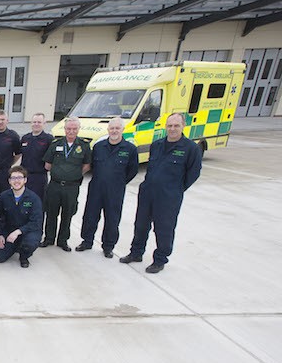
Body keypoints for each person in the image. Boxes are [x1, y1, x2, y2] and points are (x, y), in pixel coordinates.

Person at [120, 112, 202, 273]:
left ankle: (159, 259)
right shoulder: (157, 145)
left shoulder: (190, 148)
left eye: (176, 126)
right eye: (170, 125)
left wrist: (176, 189)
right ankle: (136, 253)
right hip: (148, 192)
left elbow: (194, 173)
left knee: (164, 228)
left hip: (169, 196)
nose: (172, 129)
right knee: (141, 225)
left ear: (183, 126)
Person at [76, 117, 139, 258]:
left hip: (115, 190)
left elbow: (132, 170)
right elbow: (91, 165)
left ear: (123, 130)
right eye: (112, 128)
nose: (114, 131)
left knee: (112, 219)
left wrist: (119, 182)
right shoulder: (99, 147)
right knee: (90, 216)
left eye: (117, 128)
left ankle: (108, 246)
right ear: (108, 129)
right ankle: (87, 241)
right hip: (96, 187)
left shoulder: (130, 149)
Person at [41, 116, 92, 251]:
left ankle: (63, 240)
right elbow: (47, 165)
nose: (71, 131)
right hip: (55, 185)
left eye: (74, 129)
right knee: (51, 213)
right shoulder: (55, 144)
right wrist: (60, 173)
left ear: (78, 129)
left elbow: (87, 165)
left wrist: (73, 175)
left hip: (72, 187)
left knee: (67, 214)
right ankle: (49, 238)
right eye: (69, 129)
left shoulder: (84, 146)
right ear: (65, 129)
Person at [0, 166, 43, 268]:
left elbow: (36, 222)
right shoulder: (4, 196)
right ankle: (15, 246)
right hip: (9, 230)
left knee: (30, 243)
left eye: (19, 178)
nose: (16, 181)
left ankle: (24, 256)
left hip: (28, 231)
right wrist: (0, 235)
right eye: (13, 178)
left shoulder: (33, 198)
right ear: (9, 181)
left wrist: (18, 231)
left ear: (25, 180)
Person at [19, 112, 53, 200]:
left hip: (39, 177)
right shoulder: (25, 138)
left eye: (39, 122)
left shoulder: (48, 139)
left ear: (44, 124)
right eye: (34, 122)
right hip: (25, 176)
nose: (36, 124)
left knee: (38, 202)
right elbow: (19, 154)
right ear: (31, 123)